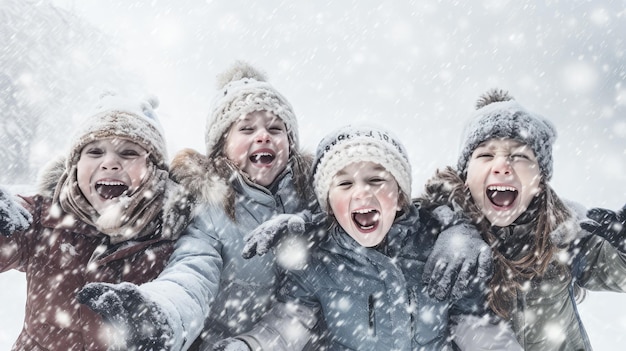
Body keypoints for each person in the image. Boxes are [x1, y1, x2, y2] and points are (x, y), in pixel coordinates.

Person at [213, 125, 521, 351]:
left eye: (376, 180)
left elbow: (477, 328)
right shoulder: (318, 260)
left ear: (400, 198)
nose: (361, 192)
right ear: (330, 205)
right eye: (344, 184)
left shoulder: (436, 248)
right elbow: (286, 327)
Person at [78, 61, 317, 351]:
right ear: (221, 147)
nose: (263, 135)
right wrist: (161, 313)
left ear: (290, 143)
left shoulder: (312, 202)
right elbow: (192, 273)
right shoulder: (210, 209)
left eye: (276, 128)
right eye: (247, 128)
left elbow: (305, 300)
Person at [419, 88, 626, 350]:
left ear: (540, 180)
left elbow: (617, 273)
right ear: (465, 173)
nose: (502, 165)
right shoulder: (434, 232)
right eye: (485, 154)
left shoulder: (566, 230)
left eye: (519, 156)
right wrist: (449, 226)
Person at [0, 93, 193, 350]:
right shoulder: (42, 217)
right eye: (94, 151)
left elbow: (191, 294)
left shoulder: (173, 232)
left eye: (128, 152)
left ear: (155, 171)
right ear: (75, 167)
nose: (110, 163)